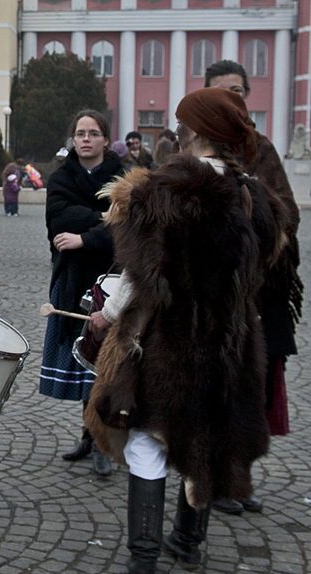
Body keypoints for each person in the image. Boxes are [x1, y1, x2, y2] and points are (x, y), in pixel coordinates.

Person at [84, 87, 286, 574]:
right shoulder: (254, 196)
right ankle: (188, 543)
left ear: (195, 132)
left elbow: (140, 278)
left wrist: (107, 316)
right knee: (204, 438)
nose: (176, 131)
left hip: (169, 344)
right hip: (229, 344)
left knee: (150, 440)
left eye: (180, 124)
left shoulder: (165, 188)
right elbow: (267, 265)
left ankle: (145, 558)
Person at [204, 59, 303, 515]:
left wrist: (254, 211)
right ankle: (207, 479)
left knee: (252, 387)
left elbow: (289, 213)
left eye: (241, 90)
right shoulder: (194, 148)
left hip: (261, 288)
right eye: (226, 91)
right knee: (212, 385)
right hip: (212, 291)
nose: (236, 99)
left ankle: (236, 478)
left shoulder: (259, 147)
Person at [39, 109, 124, 477]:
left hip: (114, 281)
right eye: (79, 133)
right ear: (73, 139)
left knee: (108, 363)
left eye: (93, 133)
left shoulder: (123, 176)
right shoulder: (62, 176)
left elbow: (129, 228)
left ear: (105, 138)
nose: (85, 139)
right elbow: (58, 220)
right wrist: (102, 218)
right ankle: (89, 435)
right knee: (85, 360)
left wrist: (86, 237)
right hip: (73, 280)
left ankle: (104, 439)